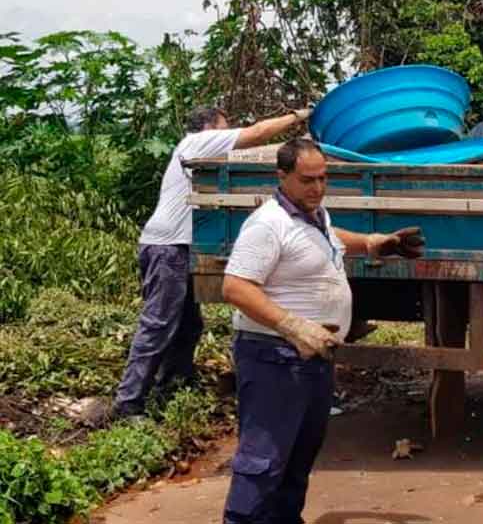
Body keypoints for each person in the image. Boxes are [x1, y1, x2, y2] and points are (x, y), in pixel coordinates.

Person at [220, 138, 424, 524]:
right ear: (282, 178)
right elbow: (235, 286)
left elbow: (328, 238)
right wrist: (292, 325)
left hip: (313, 357)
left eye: (323, 178)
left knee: (299, 455)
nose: (316, 187)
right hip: (274, 357)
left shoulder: (314, 214)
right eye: (306, 180)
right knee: (264, 459)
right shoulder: (268, 224)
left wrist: (373, 244)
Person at [113, 105, 313, 418]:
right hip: (168, 249)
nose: (228, 132)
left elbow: (257, 150)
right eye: (224, 126)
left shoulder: (200, 147)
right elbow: (256, 134)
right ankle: (129, 403)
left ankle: (173, 386)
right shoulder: (196, 142)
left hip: (177, 247)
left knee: (188, 324)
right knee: (159, 324)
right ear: (209, 127)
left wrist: (303, 143)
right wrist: (299, 116)